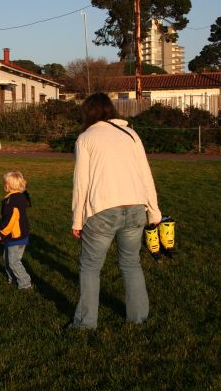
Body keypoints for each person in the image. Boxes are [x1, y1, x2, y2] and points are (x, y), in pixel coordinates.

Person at [69, 93, 161, 329]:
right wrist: (154, 211)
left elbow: (81, 183)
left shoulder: (86, 138)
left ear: (88, 112)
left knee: (90, 267)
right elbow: (145, 175)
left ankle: (85, 323)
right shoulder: (131, 134)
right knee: (131, 263)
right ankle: (139, 318)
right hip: (136, 208)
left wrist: (77, 221)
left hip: (102, 210)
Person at [0, 171, 33, 290]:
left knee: (13, 262)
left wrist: (2, 233)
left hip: (15, 236)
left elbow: (11, 220)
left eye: (5, 183)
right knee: (7, 259)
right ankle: (13, 278)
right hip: (21, 234)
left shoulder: (11, 201)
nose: (4, 185)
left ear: (8, 185)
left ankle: (25, 283)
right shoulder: (21, 196)